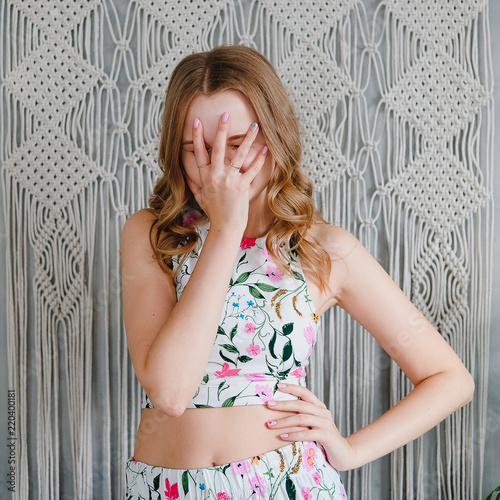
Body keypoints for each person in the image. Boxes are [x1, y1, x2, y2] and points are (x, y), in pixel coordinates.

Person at [121, 45, 474, 499]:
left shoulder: (323, 249)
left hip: (285, 483)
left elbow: (450, 379)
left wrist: (349, 450)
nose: (220, 167)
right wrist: (227, 229)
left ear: (273, 136)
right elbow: (170, 391)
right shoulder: (152, 235)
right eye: (197, 150)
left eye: (237, 145)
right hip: (160, 486)